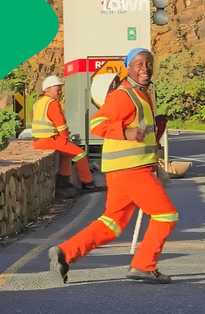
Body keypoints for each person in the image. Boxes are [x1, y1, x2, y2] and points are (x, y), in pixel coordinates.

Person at [48, 48, 177, 284]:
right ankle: (143, 265)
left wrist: (155, 131)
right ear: (128, 68)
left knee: (112, 223)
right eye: (138, 64)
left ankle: (65, 253)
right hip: (131, 171)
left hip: (126, 170)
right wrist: (126, 131)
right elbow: (98, 123)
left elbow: (141, 135)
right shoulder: (123, 95)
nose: (145, 68)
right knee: (166, 215)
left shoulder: (141, 95)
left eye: (148, 63)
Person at [32, 75, 100, 193]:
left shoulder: (38, 103)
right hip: (49, 140)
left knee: (67, 154)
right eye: (57, 88)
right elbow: (60, 123)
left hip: (38, 140)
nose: (60, 90)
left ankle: (64, 185)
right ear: (48, 88)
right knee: (81, 154)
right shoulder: (52, 103)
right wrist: (64, 139)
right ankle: (88, 183)